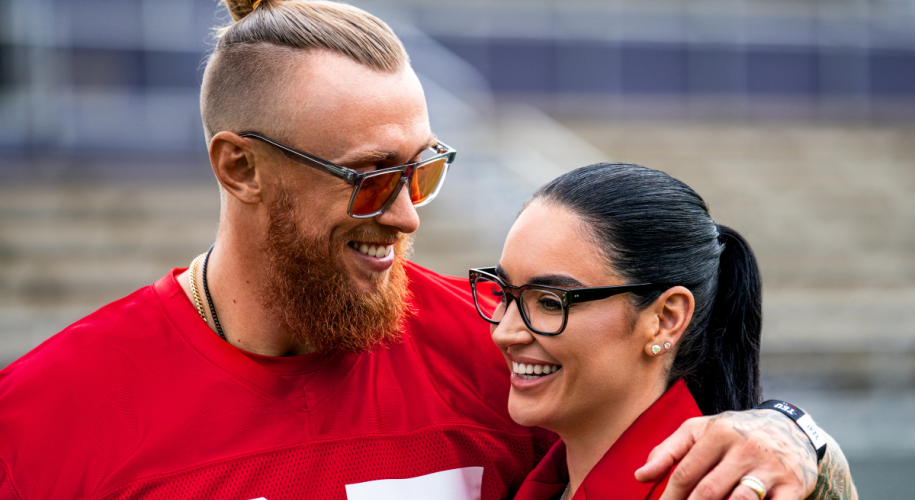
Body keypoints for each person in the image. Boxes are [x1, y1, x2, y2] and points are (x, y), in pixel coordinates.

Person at [0, 1, 853, 499]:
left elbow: (685, 443)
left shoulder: (506, 357)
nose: (407, 216)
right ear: (240, 168)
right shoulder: (41, 419)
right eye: (371, 177)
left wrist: (795, 436)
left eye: (424, 172)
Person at [469, 163, 858, 500]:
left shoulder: (728, 489)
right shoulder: (538, 478)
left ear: (665, 319)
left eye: (551, 302)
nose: (506, 331)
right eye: (504, 293)